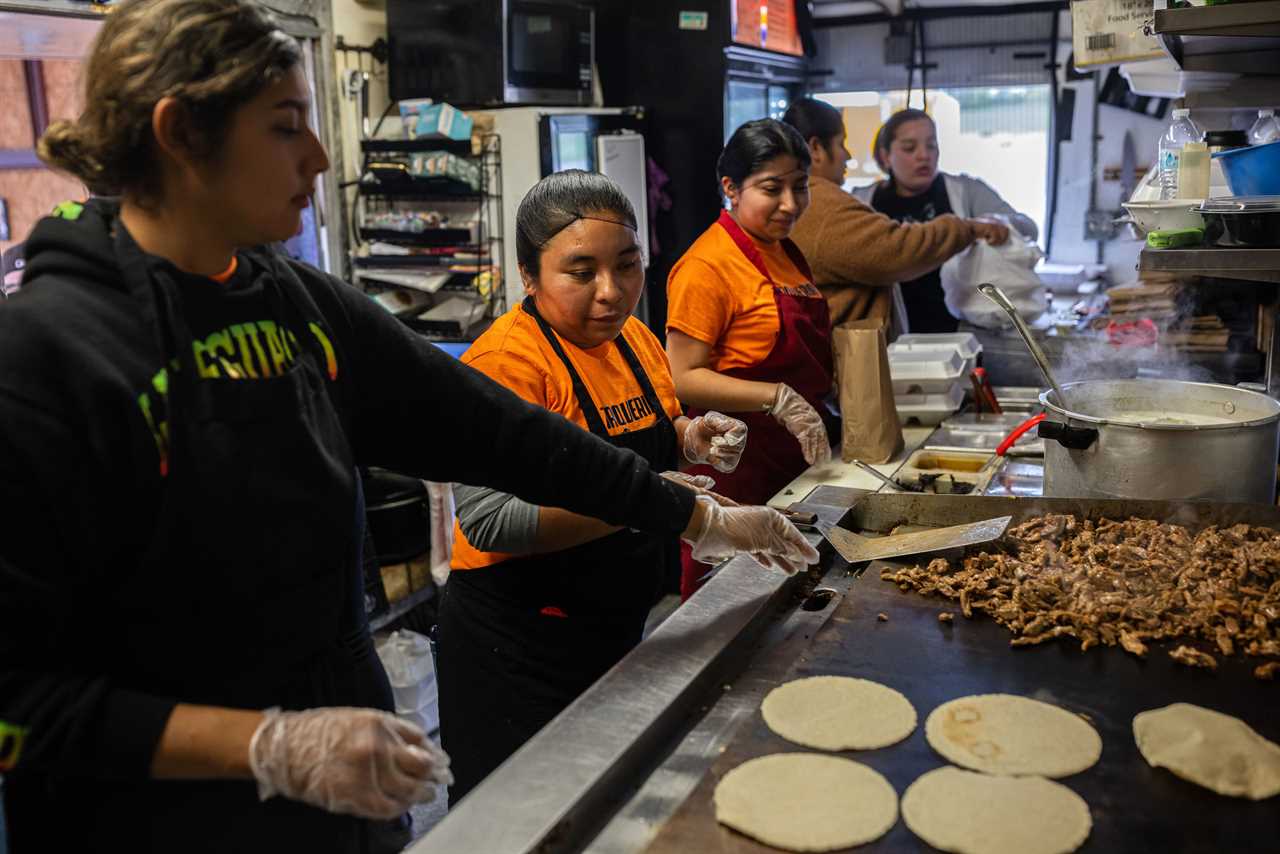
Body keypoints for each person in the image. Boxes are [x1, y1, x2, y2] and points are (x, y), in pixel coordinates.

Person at [0, 2, 816, 851]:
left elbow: (510, 437)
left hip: (343, 793)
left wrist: (698, 515)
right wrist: (266, 746)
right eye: (287, 128)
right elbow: (16, 703)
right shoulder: (50, 357)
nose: (320, 157)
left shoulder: (295, 307)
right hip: (159, 826)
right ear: (180, 134)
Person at [440, 170, 815, 802]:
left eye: (628, 266)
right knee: (516, 815)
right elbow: (492, 520)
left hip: (606, 621)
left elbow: (646, 429)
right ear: (530, 277)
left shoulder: (633, 338)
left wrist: (691, 437)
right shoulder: (506, 362)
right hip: (517, 640)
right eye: (581, 273)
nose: (611, 293)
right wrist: (663, 501)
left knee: (596, 799)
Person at [666, 119, 834, 600]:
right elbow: (681, 377)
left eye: (799, 187)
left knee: (788, 597)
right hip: (735, 464)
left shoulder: (784, 251)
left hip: (789, 461)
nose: (790, 203)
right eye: (771, 188)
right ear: (730, 188)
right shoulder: (707, 265)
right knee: (728, 604)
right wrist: (777, 398)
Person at [782, 98, 1011, 332]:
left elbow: (1023, 226)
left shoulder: (965, 190)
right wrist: (969, 228)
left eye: (931, 145)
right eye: (842, 144)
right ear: (816, 149)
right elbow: (894, 249)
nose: (848, 155)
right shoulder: (821, 204)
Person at [853, 108, 1038, 333]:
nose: (924, 155)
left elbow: (1029, 228)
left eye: (931, 145)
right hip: (889, 333)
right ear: (885, 157)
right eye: (910, 147)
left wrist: (998, 223)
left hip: (958, 331)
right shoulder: (863, 201)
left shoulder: (966, 191)